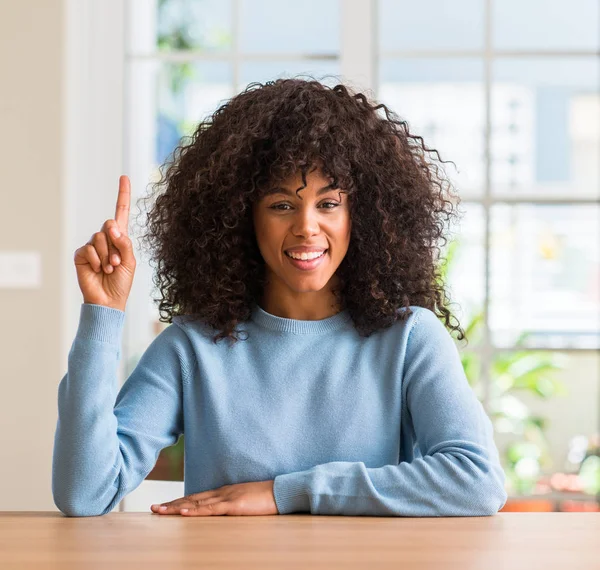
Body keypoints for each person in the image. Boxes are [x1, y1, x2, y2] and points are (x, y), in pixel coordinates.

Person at [52, 77, 507, 518]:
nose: (307, 227)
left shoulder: (409, 338)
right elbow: (86, 492)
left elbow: (476, 480)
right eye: (282, 205)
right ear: (239, 218)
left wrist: (286, 492)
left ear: (361, 216)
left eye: (328, 204)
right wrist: (102, 315)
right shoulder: (191, 347)